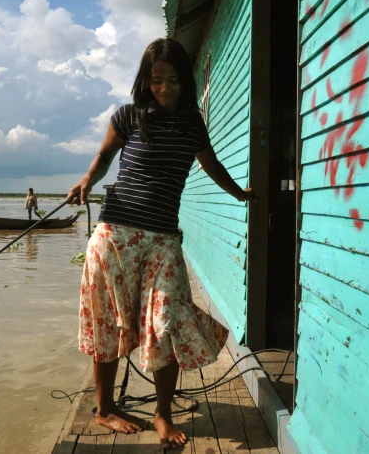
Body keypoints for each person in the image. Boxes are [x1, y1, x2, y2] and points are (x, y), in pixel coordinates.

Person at [67, 38, 256, 449]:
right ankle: (104, 410)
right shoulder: (129, 115)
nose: (165, 88)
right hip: (115, 234)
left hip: (163, 241)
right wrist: (86, 181)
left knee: (166, 324)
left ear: (185, 81)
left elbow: (212, 165)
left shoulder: (192, 123)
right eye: (156, 80)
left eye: (172, 80)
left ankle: (162, 414)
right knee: (107, 324)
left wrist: (239, 193)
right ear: (145, 80)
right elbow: (102, 159)